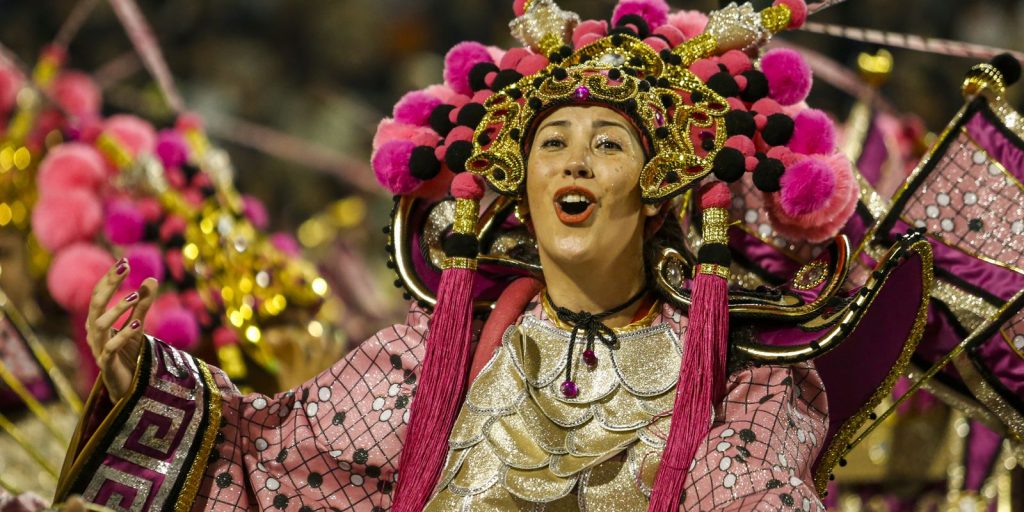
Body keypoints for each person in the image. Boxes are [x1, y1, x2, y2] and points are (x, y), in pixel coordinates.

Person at [51, 0, 932, 510]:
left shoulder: (744, 382)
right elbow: (267, 463)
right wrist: (143, 382)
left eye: (608, 145)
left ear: (662, 190)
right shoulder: (431, 353)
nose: (576, 163)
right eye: (554, 144)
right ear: (518, 178)